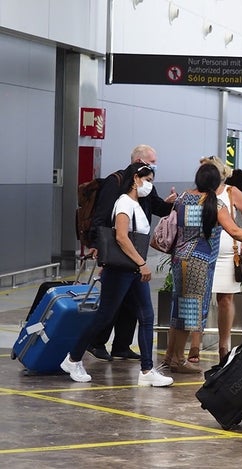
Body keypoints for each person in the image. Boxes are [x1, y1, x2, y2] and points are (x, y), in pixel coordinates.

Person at [61, 163, 173, 386]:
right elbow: (121, 237)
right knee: (103, 316)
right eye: (147, 179)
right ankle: (73, 359)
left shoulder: (136, 204)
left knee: (146, 316)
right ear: (135, 179)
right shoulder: (123, 203)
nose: (150, 185)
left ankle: (147, 370)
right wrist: (142, 263)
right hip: (122, 270)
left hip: (131, 270)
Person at [162, 164, 242, 373]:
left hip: (180, 258)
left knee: (179, 307)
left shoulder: (183, 197)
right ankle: (178, 359)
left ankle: (170, 355)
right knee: (191, 311)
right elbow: (234, 230)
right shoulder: (214, 204)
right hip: (199, 261)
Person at [87, 144, 177, 362]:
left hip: (136, 252)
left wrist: (171, 205)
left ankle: (123, 346)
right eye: (151, 161)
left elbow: (157, 207)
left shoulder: (146, 186)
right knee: (110, 308)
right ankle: (91, 345)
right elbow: (102, 216)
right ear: (138, 162)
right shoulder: (116, 184)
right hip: (119, 253)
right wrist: (96, 244)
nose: (154, 165)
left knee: (135, 309)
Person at [207, 160, 242, 364]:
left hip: (229, 253)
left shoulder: (231, 191)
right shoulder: (197, 192)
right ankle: (194, 346)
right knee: (199, 300)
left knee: (225, 300)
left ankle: (224, 345)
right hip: (204, 252)